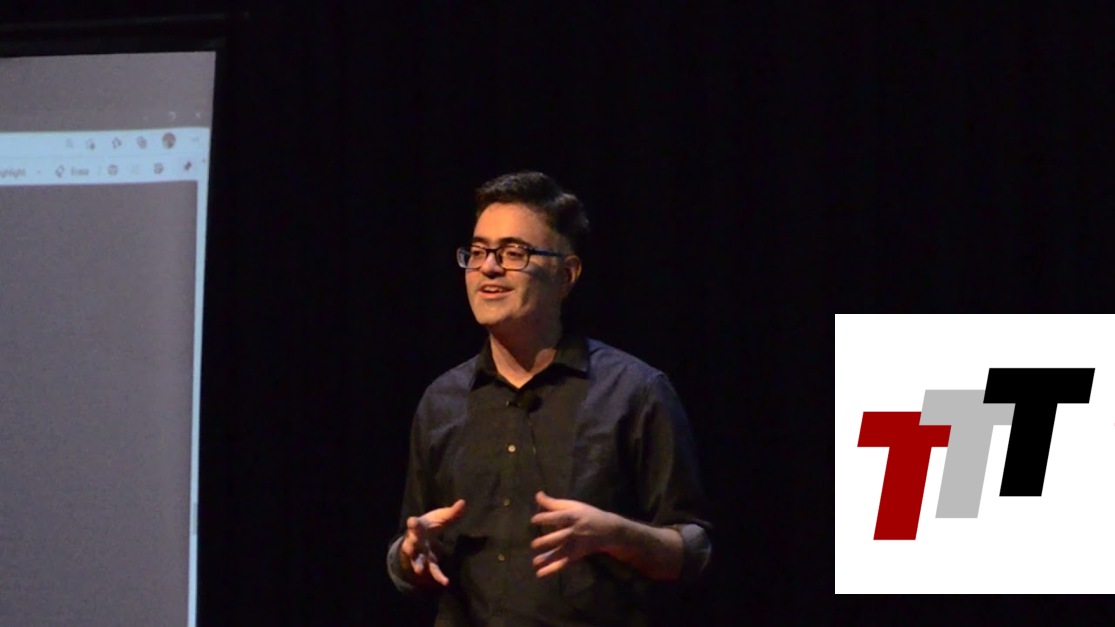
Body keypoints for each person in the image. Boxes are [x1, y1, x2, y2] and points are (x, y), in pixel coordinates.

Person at [386, 171, 711, 625]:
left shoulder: (634, 392)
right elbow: (407, 554)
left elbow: (693, 552)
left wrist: (616, 534)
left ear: (566, 274)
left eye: (513, 253)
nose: (489, 268)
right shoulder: (442, 400)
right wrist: (409, 555)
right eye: (478, 252)